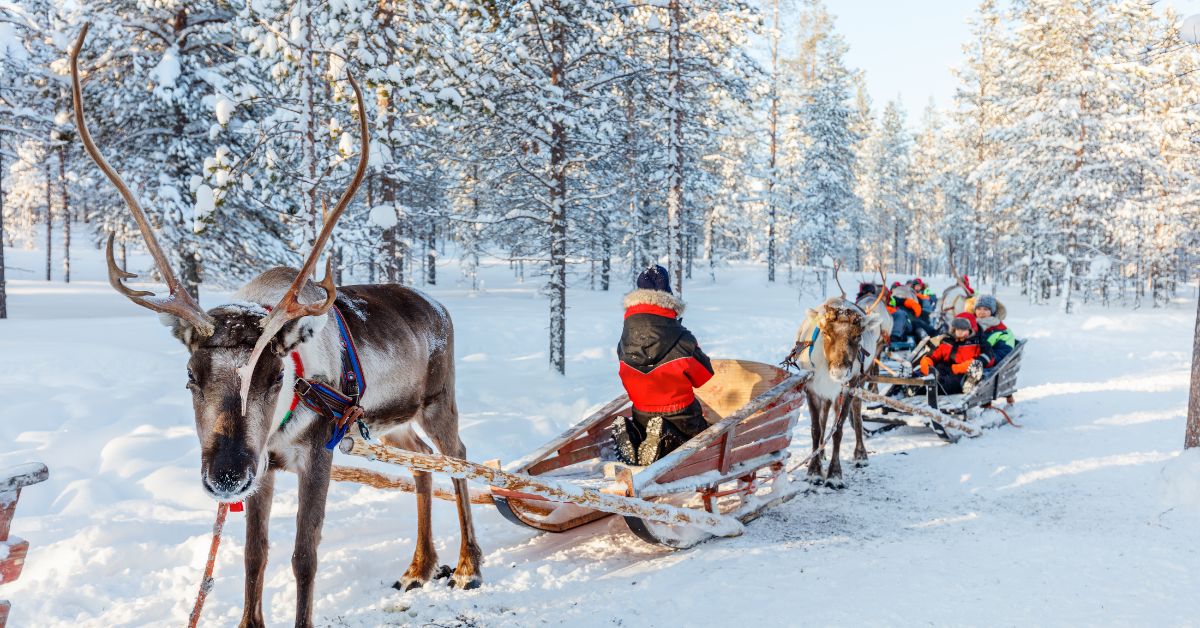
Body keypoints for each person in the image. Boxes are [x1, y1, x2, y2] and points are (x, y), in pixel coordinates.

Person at [614, 265, 715, 465]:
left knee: (647, 427)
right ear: (668, 298)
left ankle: (636, 436)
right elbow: (704, 376)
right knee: (699, 440)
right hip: (682, 415)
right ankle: (664, 436)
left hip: (641, 413)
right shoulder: (683, 339)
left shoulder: (624, 341)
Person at [918, 312, 992, 395]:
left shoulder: (978, 342)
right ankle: (918, 385)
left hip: (963, 372)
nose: (960, 332)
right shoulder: (948, 340)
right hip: (944, 368)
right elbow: (933, 355)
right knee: (932, 375)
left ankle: (926, 389)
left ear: (971, 329)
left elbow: (987, 356)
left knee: (947, 385)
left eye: (963, 330)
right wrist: (928, 365)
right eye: (957, 329)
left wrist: (965, 366)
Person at [973, 294, 1015, 364]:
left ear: (992, 311)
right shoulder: (969, 325)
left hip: (987, 366)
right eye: (978, 309)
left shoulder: (1003, 332)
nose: (981, 312)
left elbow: (1003, 352)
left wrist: (985, 360)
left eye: (985, 309)